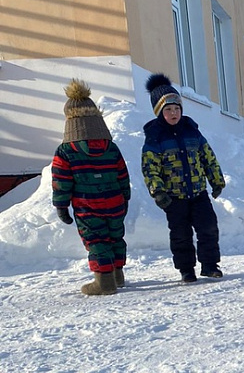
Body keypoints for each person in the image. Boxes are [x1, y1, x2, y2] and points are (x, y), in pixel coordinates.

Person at [141, 74, 225, 283]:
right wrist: (158, 191)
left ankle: (210, 265)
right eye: (168, 109)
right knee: (180, 235)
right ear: (159, 112)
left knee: (208, 227)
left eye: (177, 108)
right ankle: (186, 269)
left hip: (198, 192)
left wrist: (216, 180)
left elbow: (208, 157)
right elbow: (150, 168)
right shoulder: (155, 137)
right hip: (174, 197)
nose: (174, 113)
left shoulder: (192, 131)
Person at [52, 79, 130, 296]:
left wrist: (61, 205)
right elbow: (122, 173)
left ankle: (104, 282)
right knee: (115, 236)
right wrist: (125, 196)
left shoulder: (66, 151)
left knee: (97, 240)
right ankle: (117, 275)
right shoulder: (111, 147)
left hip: (88, 205)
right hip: (115, 201)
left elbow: (61, 181)